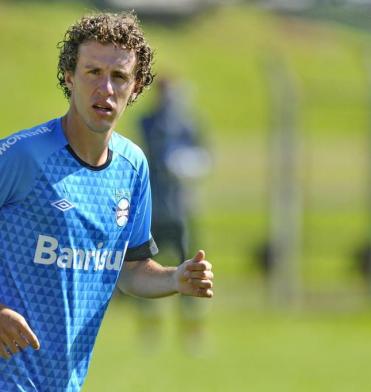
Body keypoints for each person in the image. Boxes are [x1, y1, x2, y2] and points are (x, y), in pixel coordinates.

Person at [0, 11, 213, 392]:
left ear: (136, 87)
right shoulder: (23, 157)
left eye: (119, 77)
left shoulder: (132, 168)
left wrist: (175, 278)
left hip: (63, 382)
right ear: (69, 76)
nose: (106, 89)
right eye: (93, 72)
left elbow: (130, 270)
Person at [136, 76, 211, 351]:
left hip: (181, 209)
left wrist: (189, 163)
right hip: (154, 209)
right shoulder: (148, 122)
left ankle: (192, 331)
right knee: (145, 268)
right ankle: (149, 329)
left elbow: (204, 156)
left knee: (189, 268)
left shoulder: (189, 123)